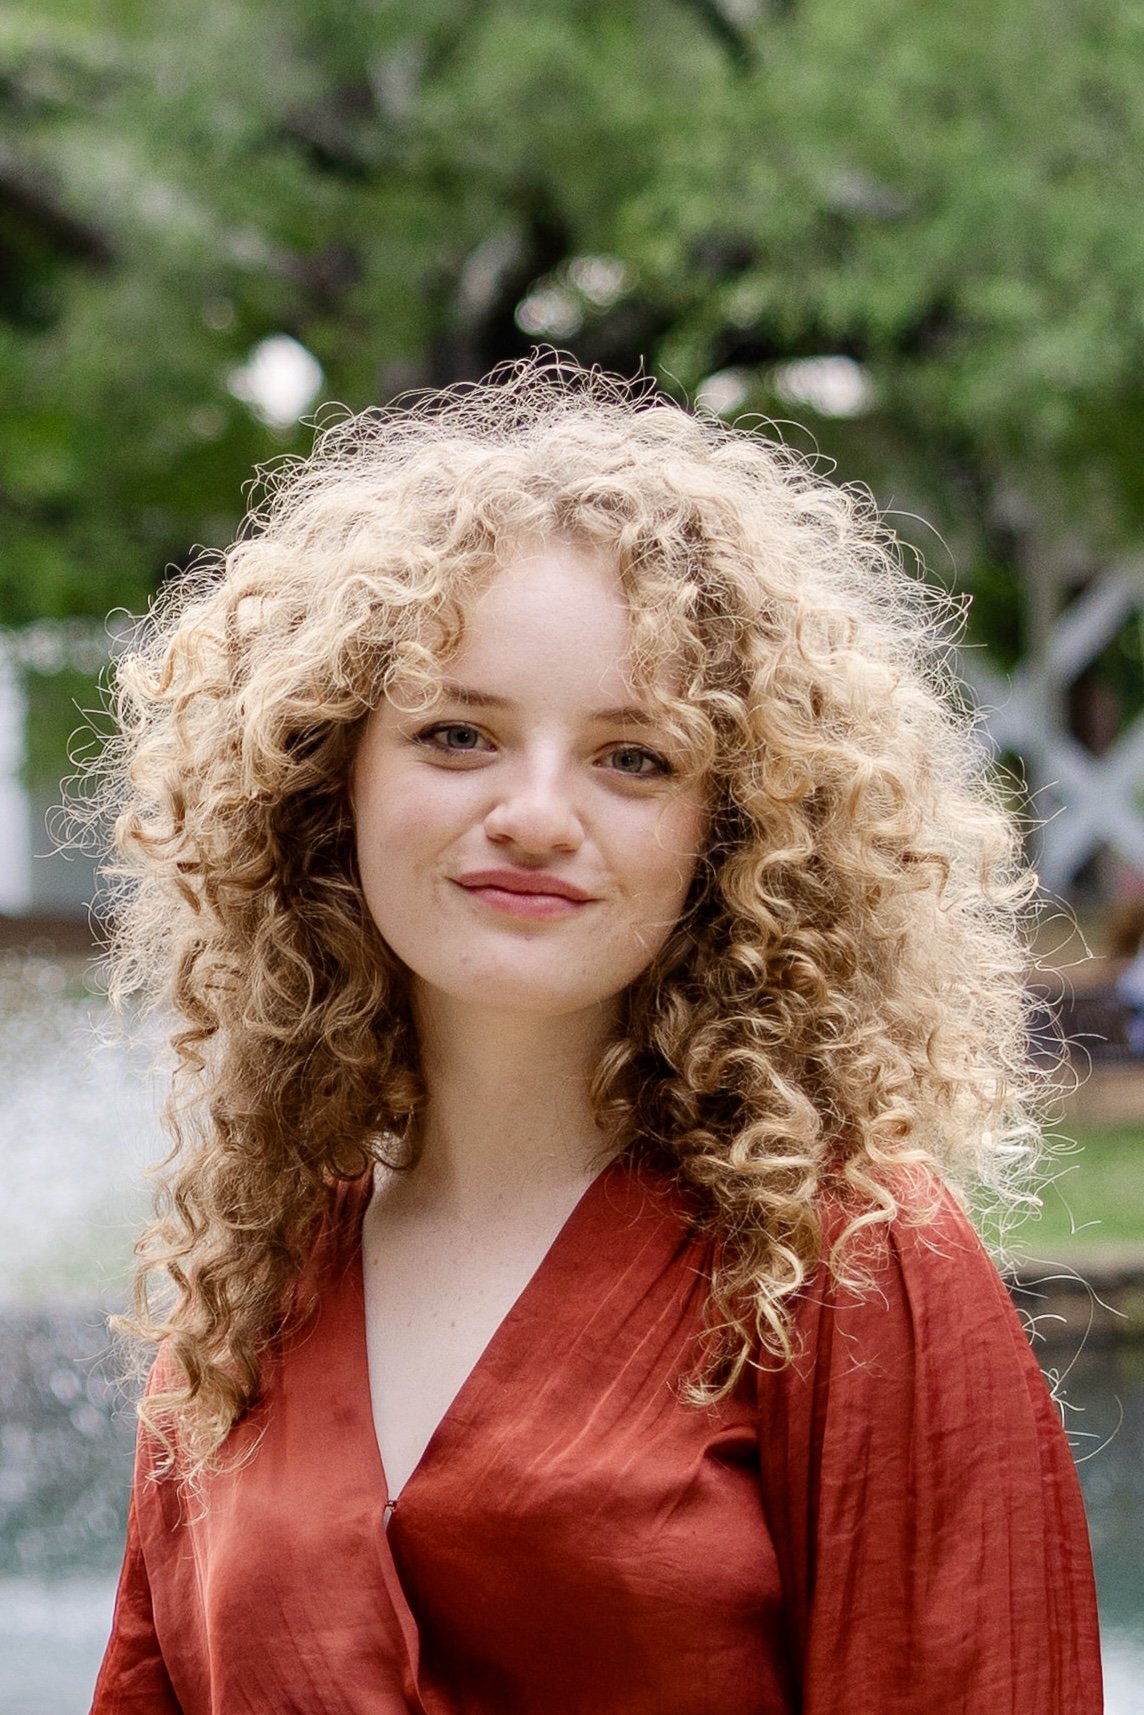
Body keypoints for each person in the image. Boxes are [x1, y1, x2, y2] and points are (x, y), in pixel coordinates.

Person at [88, 357, 1101, 1714]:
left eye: (636, 757)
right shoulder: (247, 1286)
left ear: (727, 826)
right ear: (329, 784)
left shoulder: (848, 1267)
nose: (537, 813)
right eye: (458, 734)